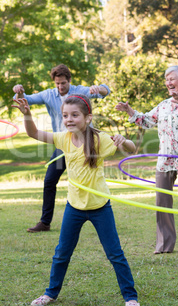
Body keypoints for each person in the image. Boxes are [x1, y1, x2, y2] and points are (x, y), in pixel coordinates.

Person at [12, 94, 140, 306]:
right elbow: (33, 133)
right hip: (75, 207)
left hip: (99, 206)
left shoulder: (100, 139)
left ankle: (130, 297)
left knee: (115, 253)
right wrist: (27, 114)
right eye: (65, 116)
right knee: (62, 252)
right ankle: (50, 293)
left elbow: (131, 150)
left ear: (88, 118)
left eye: (74, 115)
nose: (69, 119)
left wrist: (122, 140)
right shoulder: (64, 138)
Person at [116, 65, 178, 256]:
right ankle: (164, 245)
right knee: (161, 201)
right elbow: (146, 120)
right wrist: (129, 110)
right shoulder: (163, 105)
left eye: (172, 78)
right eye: (166, 79)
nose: (168, 82)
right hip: (165, 160)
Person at [13, 64, 111, 233]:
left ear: (69, 80)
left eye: (63, 83)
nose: (60, 87)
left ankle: (99, 213)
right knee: (50, 180)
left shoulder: (80, 91)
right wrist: (19, 92)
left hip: (86, 144)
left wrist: (99, 88)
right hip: (63, 143)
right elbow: (26, 99)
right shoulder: (48, 94)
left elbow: (105, 91)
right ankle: (45, 222)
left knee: (90, 179)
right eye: (57, 83)